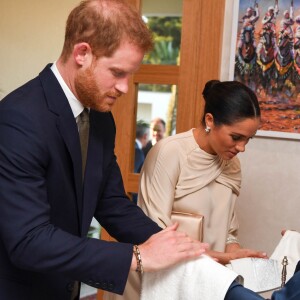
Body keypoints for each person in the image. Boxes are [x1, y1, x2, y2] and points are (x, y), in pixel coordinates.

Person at [0, 1, 208, 299]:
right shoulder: (18, 118)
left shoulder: (100, 119)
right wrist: (138, 257)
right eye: (117, 72)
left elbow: (111, 203)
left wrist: (177, 247)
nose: (124, 88)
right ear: (82, 53)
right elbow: (29, 240)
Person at [105, 80, 267, 300]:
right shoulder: (169, 153)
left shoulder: (232, 163)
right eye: (236, 137)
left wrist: (235, 254)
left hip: (204, 281)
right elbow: (154, 232)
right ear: (210, 120)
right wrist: (216, 257)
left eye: (248, 139)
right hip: (157, 280)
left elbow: (227, 232)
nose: (242, 148)